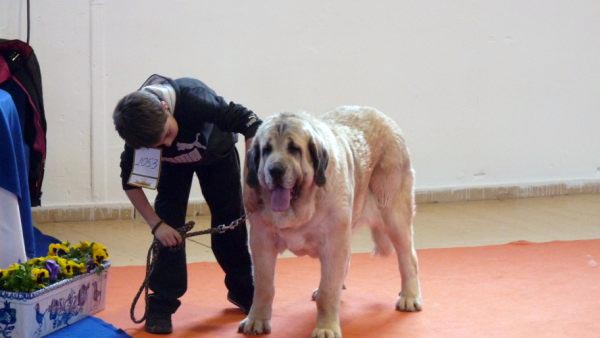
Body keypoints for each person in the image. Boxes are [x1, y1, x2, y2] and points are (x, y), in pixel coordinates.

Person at [112, 74, 261, 334]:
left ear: (165, 108)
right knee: (169, 230)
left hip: (216, 155)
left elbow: (251, 123)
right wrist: (156, 225)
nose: (168, 143)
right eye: (159, 145)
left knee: (230, 223)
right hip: (173, 170)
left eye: (167, 133)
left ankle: (243, 290)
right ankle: (161, 303)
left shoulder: (195, 99)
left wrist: (250, 180)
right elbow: (131, 184)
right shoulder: (139, 134)